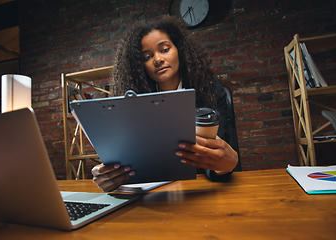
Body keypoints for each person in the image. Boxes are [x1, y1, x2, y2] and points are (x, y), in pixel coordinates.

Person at [92, 16, 239, 192]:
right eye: (147, 56)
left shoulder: (209, 91)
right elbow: (132, 159)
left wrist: (223, 166)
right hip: (154, 195)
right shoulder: (134, 104)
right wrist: (111, 175)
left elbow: (216, 156)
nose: (158, 59)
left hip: (201, 191)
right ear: (140, 66)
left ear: (179, 49)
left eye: (164, 49)